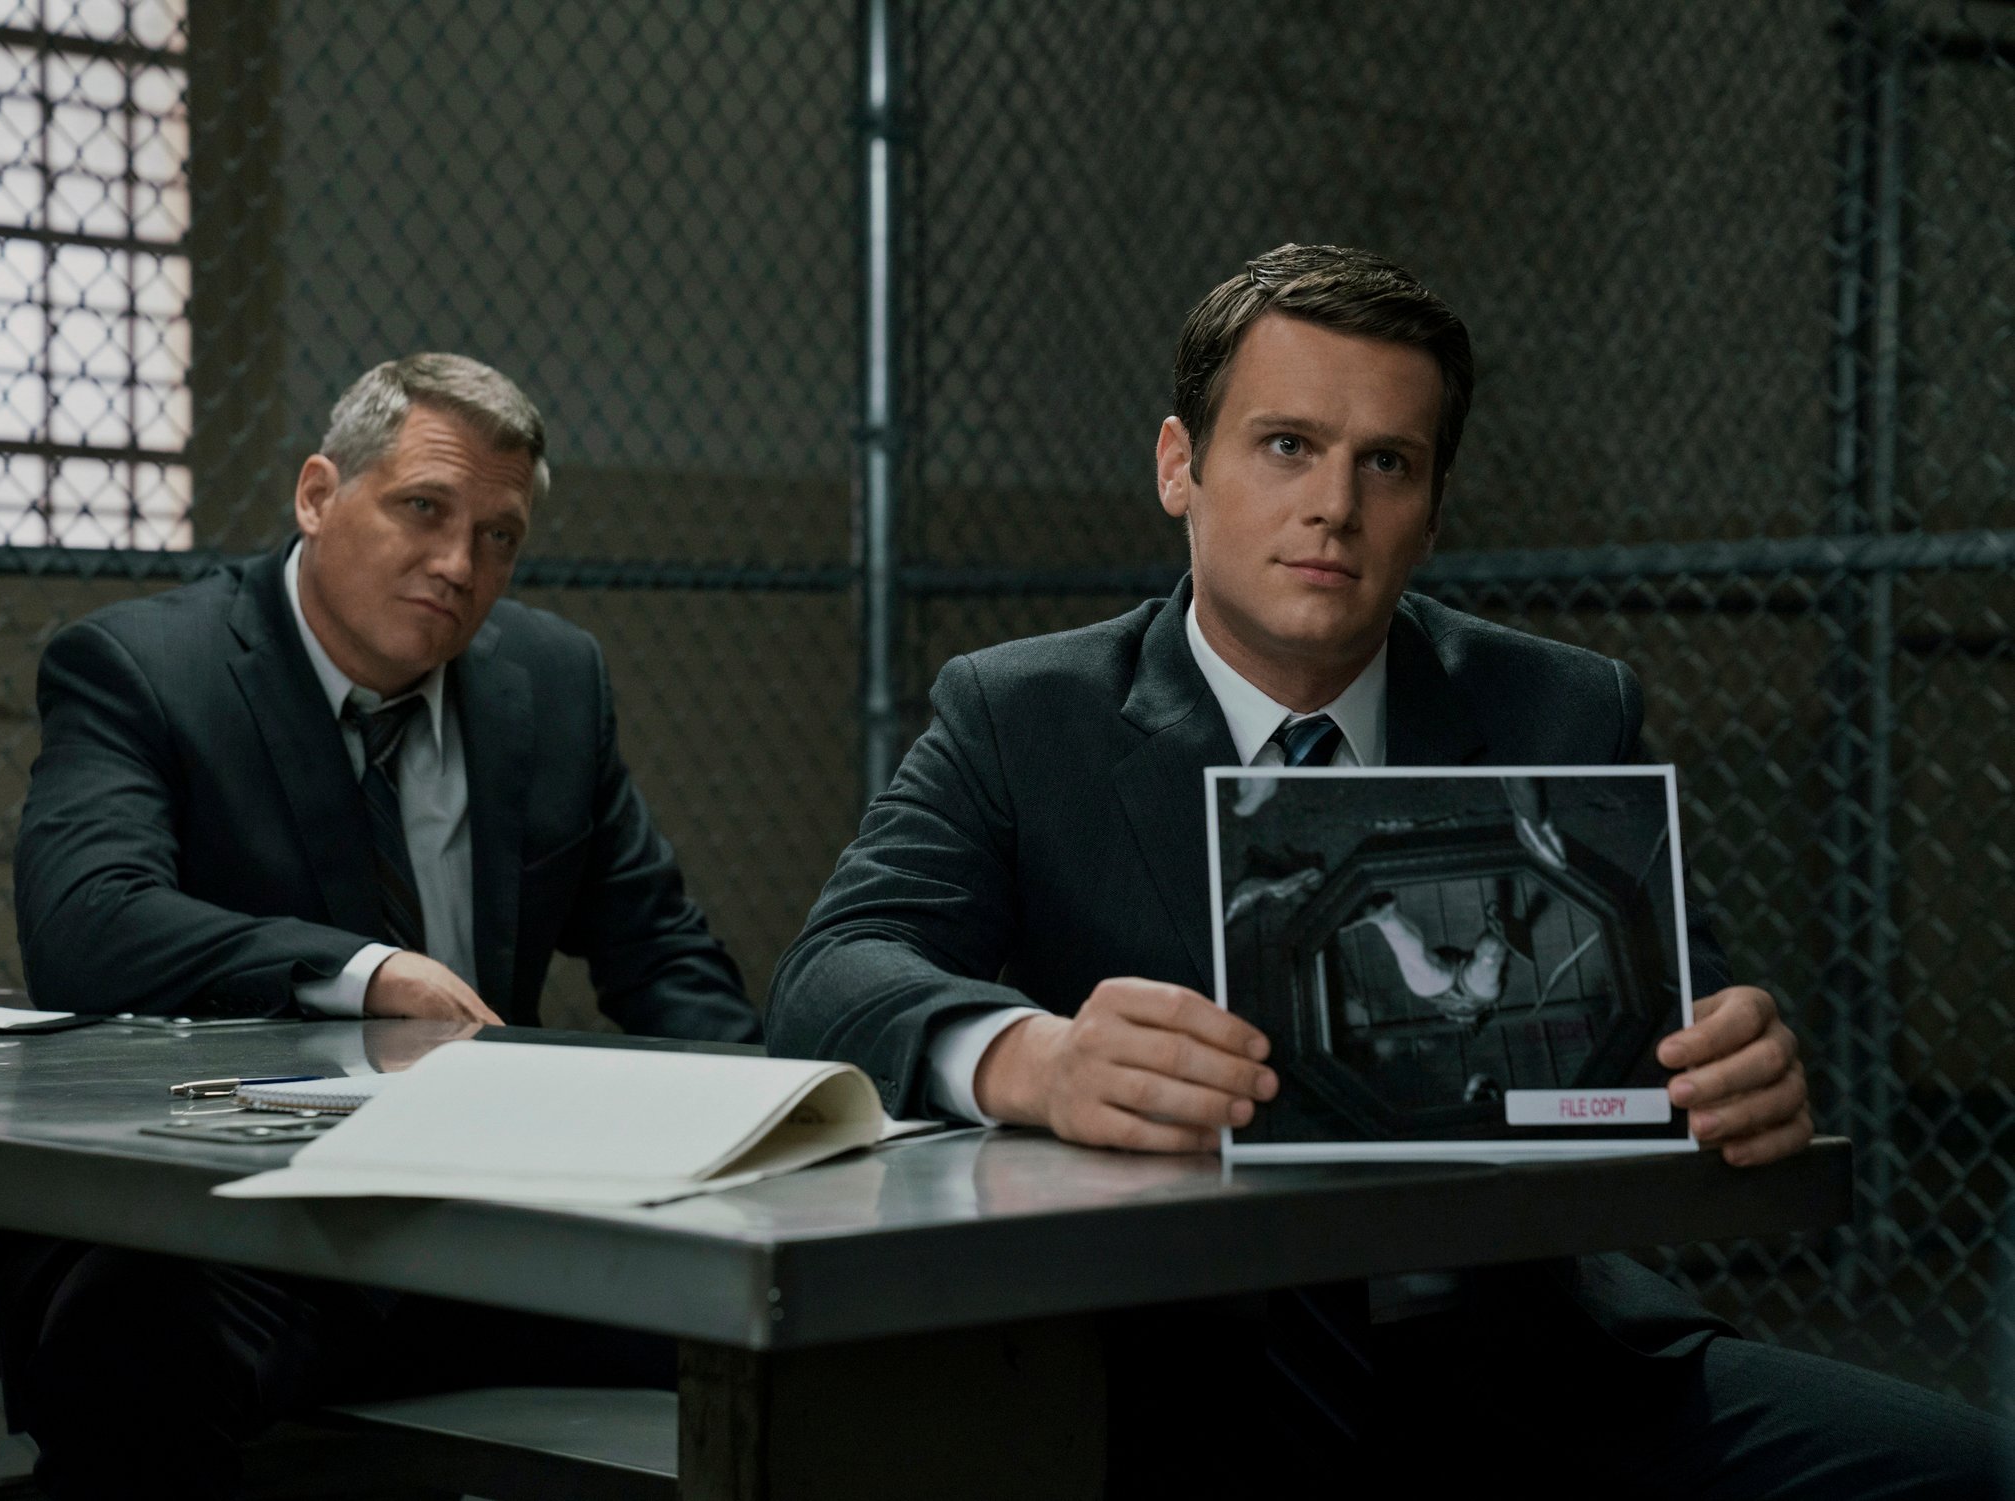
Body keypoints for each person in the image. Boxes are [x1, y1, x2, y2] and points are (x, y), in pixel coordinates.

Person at [768, 246, 2007, 1495]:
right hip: (1158, 1380)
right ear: (1178, 468)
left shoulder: (1560, 710)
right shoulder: (1024, 713)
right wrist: (1035, 1060)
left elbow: (1677, 1022)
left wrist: (1735, 1062)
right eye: (1287, 446)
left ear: (1433, 507)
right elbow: (830, 976)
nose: (1335, 508)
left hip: (1526, 1365)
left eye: (1388, 463)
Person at [0, 354, 758, 1500]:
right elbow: (90, 921)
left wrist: (772, 1122)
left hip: (481, 1222)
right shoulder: (147, 669)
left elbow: (660, 953)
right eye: (423, 510)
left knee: (802, 1340)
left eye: (498, 537)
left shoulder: (551, 684)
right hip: (241, 1223)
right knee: (134, 1338)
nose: (459, 565)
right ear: (317, 494)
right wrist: (367, 971)